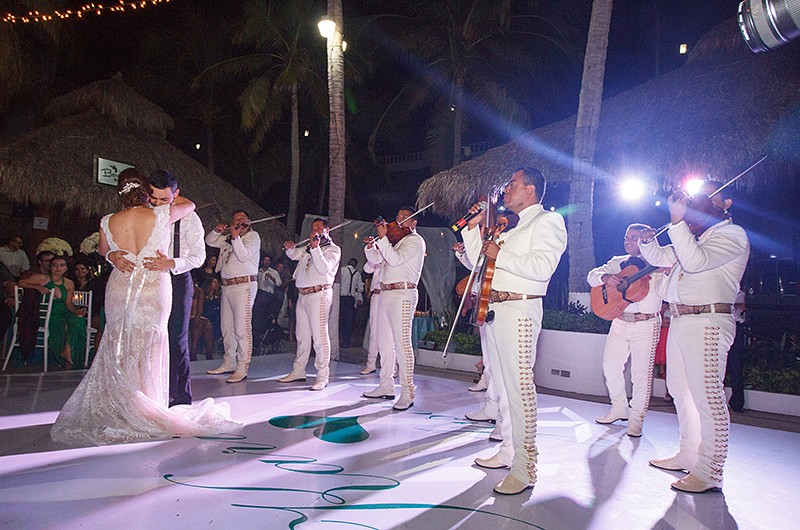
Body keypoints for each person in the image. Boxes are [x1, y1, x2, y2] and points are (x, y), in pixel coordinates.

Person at [51, 169, 239, 445]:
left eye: (166, 198)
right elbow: (108, 249)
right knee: (132, 343)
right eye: (155, 196)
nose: (160, 202)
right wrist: (113, 255)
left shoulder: (179, 218)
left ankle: (177, 400)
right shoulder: (157, 214)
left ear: (174, 194)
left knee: (174, 341)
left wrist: (171, 263)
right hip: (147, 284)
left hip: (173, 277)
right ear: (145, 193)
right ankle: (143, 404)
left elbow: (198, 256)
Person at [462, 167, 567, 495]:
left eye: (513, 184)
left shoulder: (547, 221)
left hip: (520, 309)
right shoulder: (508, 223)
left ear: (531, 189)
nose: (506, 189)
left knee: (520, 388)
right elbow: (477, 259)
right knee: (505, 387)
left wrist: (501, 253)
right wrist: (472, 229)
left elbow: (542, 267)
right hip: (495, 309)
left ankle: (525, 467)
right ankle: (508, 450)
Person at [639, 180, 749, 493]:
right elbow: (664, 257)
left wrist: (677, 223)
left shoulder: (732, 234)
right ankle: (688, 454)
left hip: (709, 321)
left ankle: (711, 469)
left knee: (707, 396)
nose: (696, 198)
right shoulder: (697, 237)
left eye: (706, 193)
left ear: (725, 203)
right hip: (682, 320)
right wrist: (649, 243)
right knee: (679, 389)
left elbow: (695, 261)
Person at [586, 224, 667, 437]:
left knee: (640, 375)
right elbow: (592, 275)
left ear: (644, 239)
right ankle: (618, 407)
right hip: (620, 321)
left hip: (646, 324)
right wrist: (605, 278)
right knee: (610, 366)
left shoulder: (658, 261)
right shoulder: (617, 262)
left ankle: (636, 418)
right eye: (626, 237)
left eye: (634, 238)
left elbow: (669, 288)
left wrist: (664, 272)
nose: (628, 241)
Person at [362, 207, 426, 411]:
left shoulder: (415, 241)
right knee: (384, 342)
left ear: (413, 223)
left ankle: (408, 392)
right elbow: (375, 261)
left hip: (403, 294)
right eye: (397, 216)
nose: (398, 220)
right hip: (386, 293)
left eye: (404, 218)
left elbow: (395, 259)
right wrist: (373, 246)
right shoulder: (394, 240)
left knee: (402, 344)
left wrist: (383, 239)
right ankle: (386, 385)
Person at [278, 218, 341, 391]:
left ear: (327, 230)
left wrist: (315, 248)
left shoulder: (333, 250)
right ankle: (298, 370)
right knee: (302, 336)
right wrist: (290, 248)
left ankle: (323, 375)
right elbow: (294, 254)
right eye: (313, 228)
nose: (315, 231)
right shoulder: (308, 248)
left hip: (319, 294)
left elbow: (323, 268)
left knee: (319, 336)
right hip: (303, 295)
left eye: (319, 228)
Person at [453, 241, 503, 443]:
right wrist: (462, 254)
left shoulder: (506, 238)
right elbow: (476, 264)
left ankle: (503, 418)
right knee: (489, 361)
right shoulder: (489, 239)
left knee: (499, 364)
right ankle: (491, 407)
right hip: (484, 299)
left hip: (500, 300)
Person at [205, 210, 261, 383]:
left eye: (242, 219)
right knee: (227, 327)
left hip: (244, 285)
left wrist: (236, 237)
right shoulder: (229, 239)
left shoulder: (253, 237)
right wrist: (217, 231)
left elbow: (243, 256)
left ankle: (243, 365)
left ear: (248, 222)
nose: (238, 221)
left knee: (241, 328)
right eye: (235, 219)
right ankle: (229, 361)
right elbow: (210, 241)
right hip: (227, 286)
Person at [18, 255, 87, 368]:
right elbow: (21, 283)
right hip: (48, 314)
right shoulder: (42, 278)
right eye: (55, 265)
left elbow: (69, 303)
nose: (58, 268)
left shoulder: (69, 283)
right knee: (59, 323)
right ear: (50, 267)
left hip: (65, 311)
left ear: (66, 268)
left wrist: (76, 311)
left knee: (79, 321)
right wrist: (37, 287)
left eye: (61, 265)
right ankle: (66, 359)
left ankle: (68, 352)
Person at [360, 259, 387, 375]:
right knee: (374, 331)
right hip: (376, 294)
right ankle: (370, 364)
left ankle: (392, 366)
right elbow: (367, 269)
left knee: (388, 332)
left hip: (388, 293)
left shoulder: (394, 250)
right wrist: (373, 253)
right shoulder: (377, 254)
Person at [253, 254, 282, 340]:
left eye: (268, 261)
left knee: (268, 317)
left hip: (270, 296)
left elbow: (279, 283)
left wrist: (271, 278)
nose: (266, 262)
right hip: (259, 295)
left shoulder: (274, 272)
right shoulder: (258, 271)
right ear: (262, 261)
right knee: (258, 317)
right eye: (265, 260)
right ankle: (257, 336)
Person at [339, 257, 364, 347]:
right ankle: (346, 341)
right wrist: (359, 297)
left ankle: (339, 339)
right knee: (348, 321)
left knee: (340, 319)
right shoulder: (357, 274)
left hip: (341, 297)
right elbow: (360, 288)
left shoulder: (342, 270)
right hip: (351, 299)